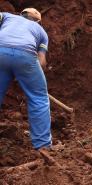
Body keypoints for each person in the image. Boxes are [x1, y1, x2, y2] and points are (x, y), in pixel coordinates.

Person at [0, 8, 52, 150]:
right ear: (38, 22)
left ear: (21, 14)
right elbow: (41, 61)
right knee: (39, 98)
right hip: (26, 55)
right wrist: (27, 74)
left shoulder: (6, 16)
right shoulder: (42, 32)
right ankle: (43, 147)